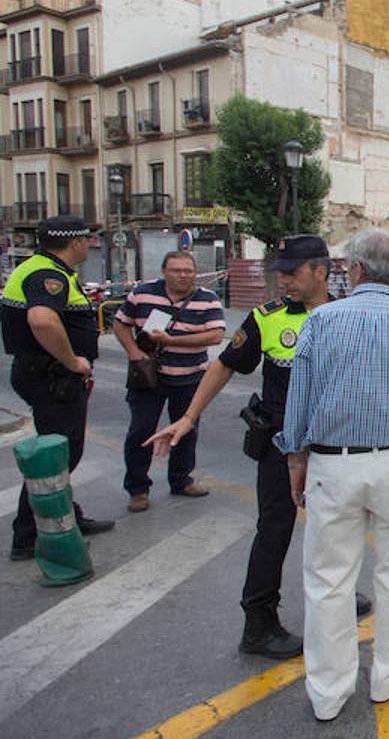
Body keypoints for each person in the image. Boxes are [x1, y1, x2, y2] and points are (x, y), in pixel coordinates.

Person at [146, 235, 371, 659]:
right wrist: (188, 417)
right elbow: (225, 366)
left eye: (292, 272)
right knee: (275, 527)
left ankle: (338, 595)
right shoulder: (266, 318)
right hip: (280, 447)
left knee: (339, 525)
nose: (283, 280)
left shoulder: (350, 315)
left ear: (320, 271)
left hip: (336, 445)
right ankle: (259, 622)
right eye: (279, 272)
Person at [275, 229, 389, 723]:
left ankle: (328, 692)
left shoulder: (319, 323)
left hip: (332, 464)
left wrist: (295, 460)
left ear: (353, 270)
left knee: (329, 579)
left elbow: (299, 402)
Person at [2, 216, 115, 559]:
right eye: (87, 240)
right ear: (75, 242)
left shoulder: (44, 268)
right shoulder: (47, 275)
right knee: (55, 458)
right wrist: (72, 361)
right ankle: (28, 535)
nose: (89, 245)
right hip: (52, 377)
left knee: (62, 453)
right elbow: (41, 319)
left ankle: (66, 516)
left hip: (45, 375)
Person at [113, 252, 224, 512]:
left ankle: (181, 480)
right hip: (149, 377)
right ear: (164, 271)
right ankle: (138, 489)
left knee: (186, 432)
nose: (184, 275)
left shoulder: (207, 299)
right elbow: (120, 324)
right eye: (177, 270)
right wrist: (133, 352)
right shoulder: (143, 293)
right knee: (141, 431)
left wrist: (173, 342)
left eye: (188, 270)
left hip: (190, 377)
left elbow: (217, 335)